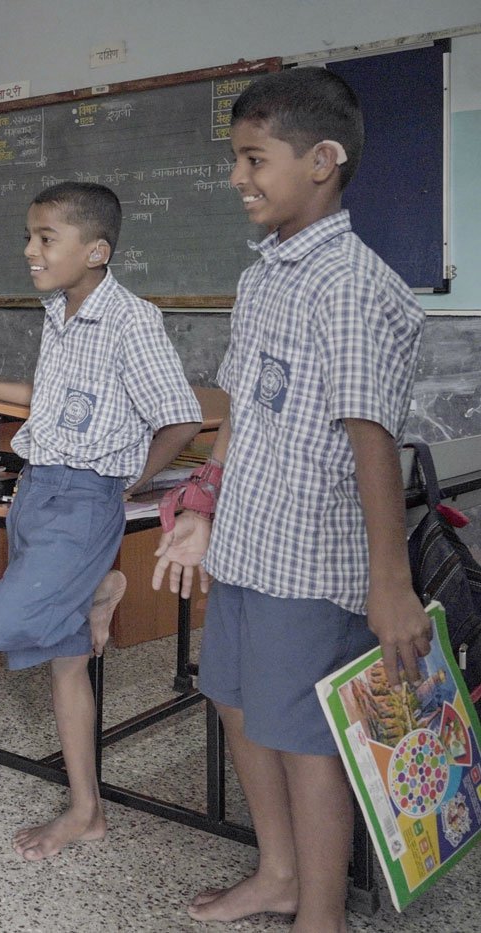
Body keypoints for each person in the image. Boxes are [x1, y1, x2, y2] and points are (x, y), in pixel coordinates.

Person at [152, 68, 427, 931]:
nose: (238, 177)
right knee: (237, 704)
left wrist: (391, 583)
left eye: (254, 159)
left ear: (322, 161)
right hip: (248, 544)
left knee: (309, 741)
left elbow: (369, 435)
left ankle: (321, 914)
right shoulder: (268, 272)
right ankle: (276, 872)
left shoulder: (349, 281)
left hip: (313, 560)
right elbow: (237, 409)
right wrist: (201, 501)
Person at [0, 181, 201, 861]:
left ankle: (97, 588)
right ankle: (88, 810)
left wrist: (126, 481)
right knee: (66, 665)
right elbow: (57, 400)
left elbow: (180, 415)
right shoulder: (58, 311)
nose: (29, 250)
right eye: (28, 236)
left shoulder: (132, 319)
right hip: (35, 492)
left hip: (84, 500)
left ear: (96, 250)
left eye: (44, 238)